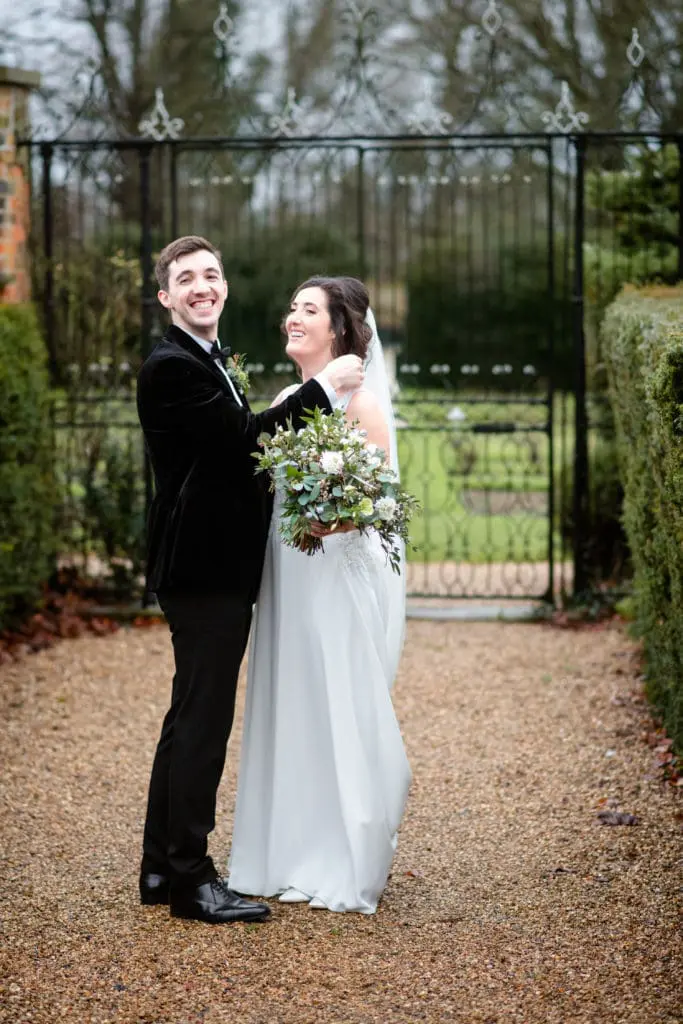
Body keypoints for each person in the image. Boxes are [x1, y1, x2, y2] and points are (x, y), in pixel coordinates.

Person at [136, 238, 364, 925]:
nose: (201, 286)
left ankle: (159, 865)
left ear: (225, 286)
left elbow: (234, 460)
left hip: (208, 568)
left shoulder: (205, 360)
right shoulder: (171, 368)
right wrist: (322, 392)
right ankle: (190, 881)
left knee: (187, 718)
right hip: (203, 571)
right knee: (203, 724)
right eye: (186, 279)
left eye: (210, 274)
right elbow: (245, 443)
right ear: (166, 298)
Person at [228, 276, 411, 914]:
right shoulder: (288, 397)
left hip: (332, 571)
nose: (292, 318)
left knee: (334, 695)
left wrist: (328, 518)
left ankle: (341, 853)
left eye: (308, 310)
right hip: (288, 573)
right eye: (291, 308)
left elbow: (381, 495)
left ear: (338, 329)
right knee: (289, 695)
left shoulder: (360, 400)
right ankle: (282, 850)